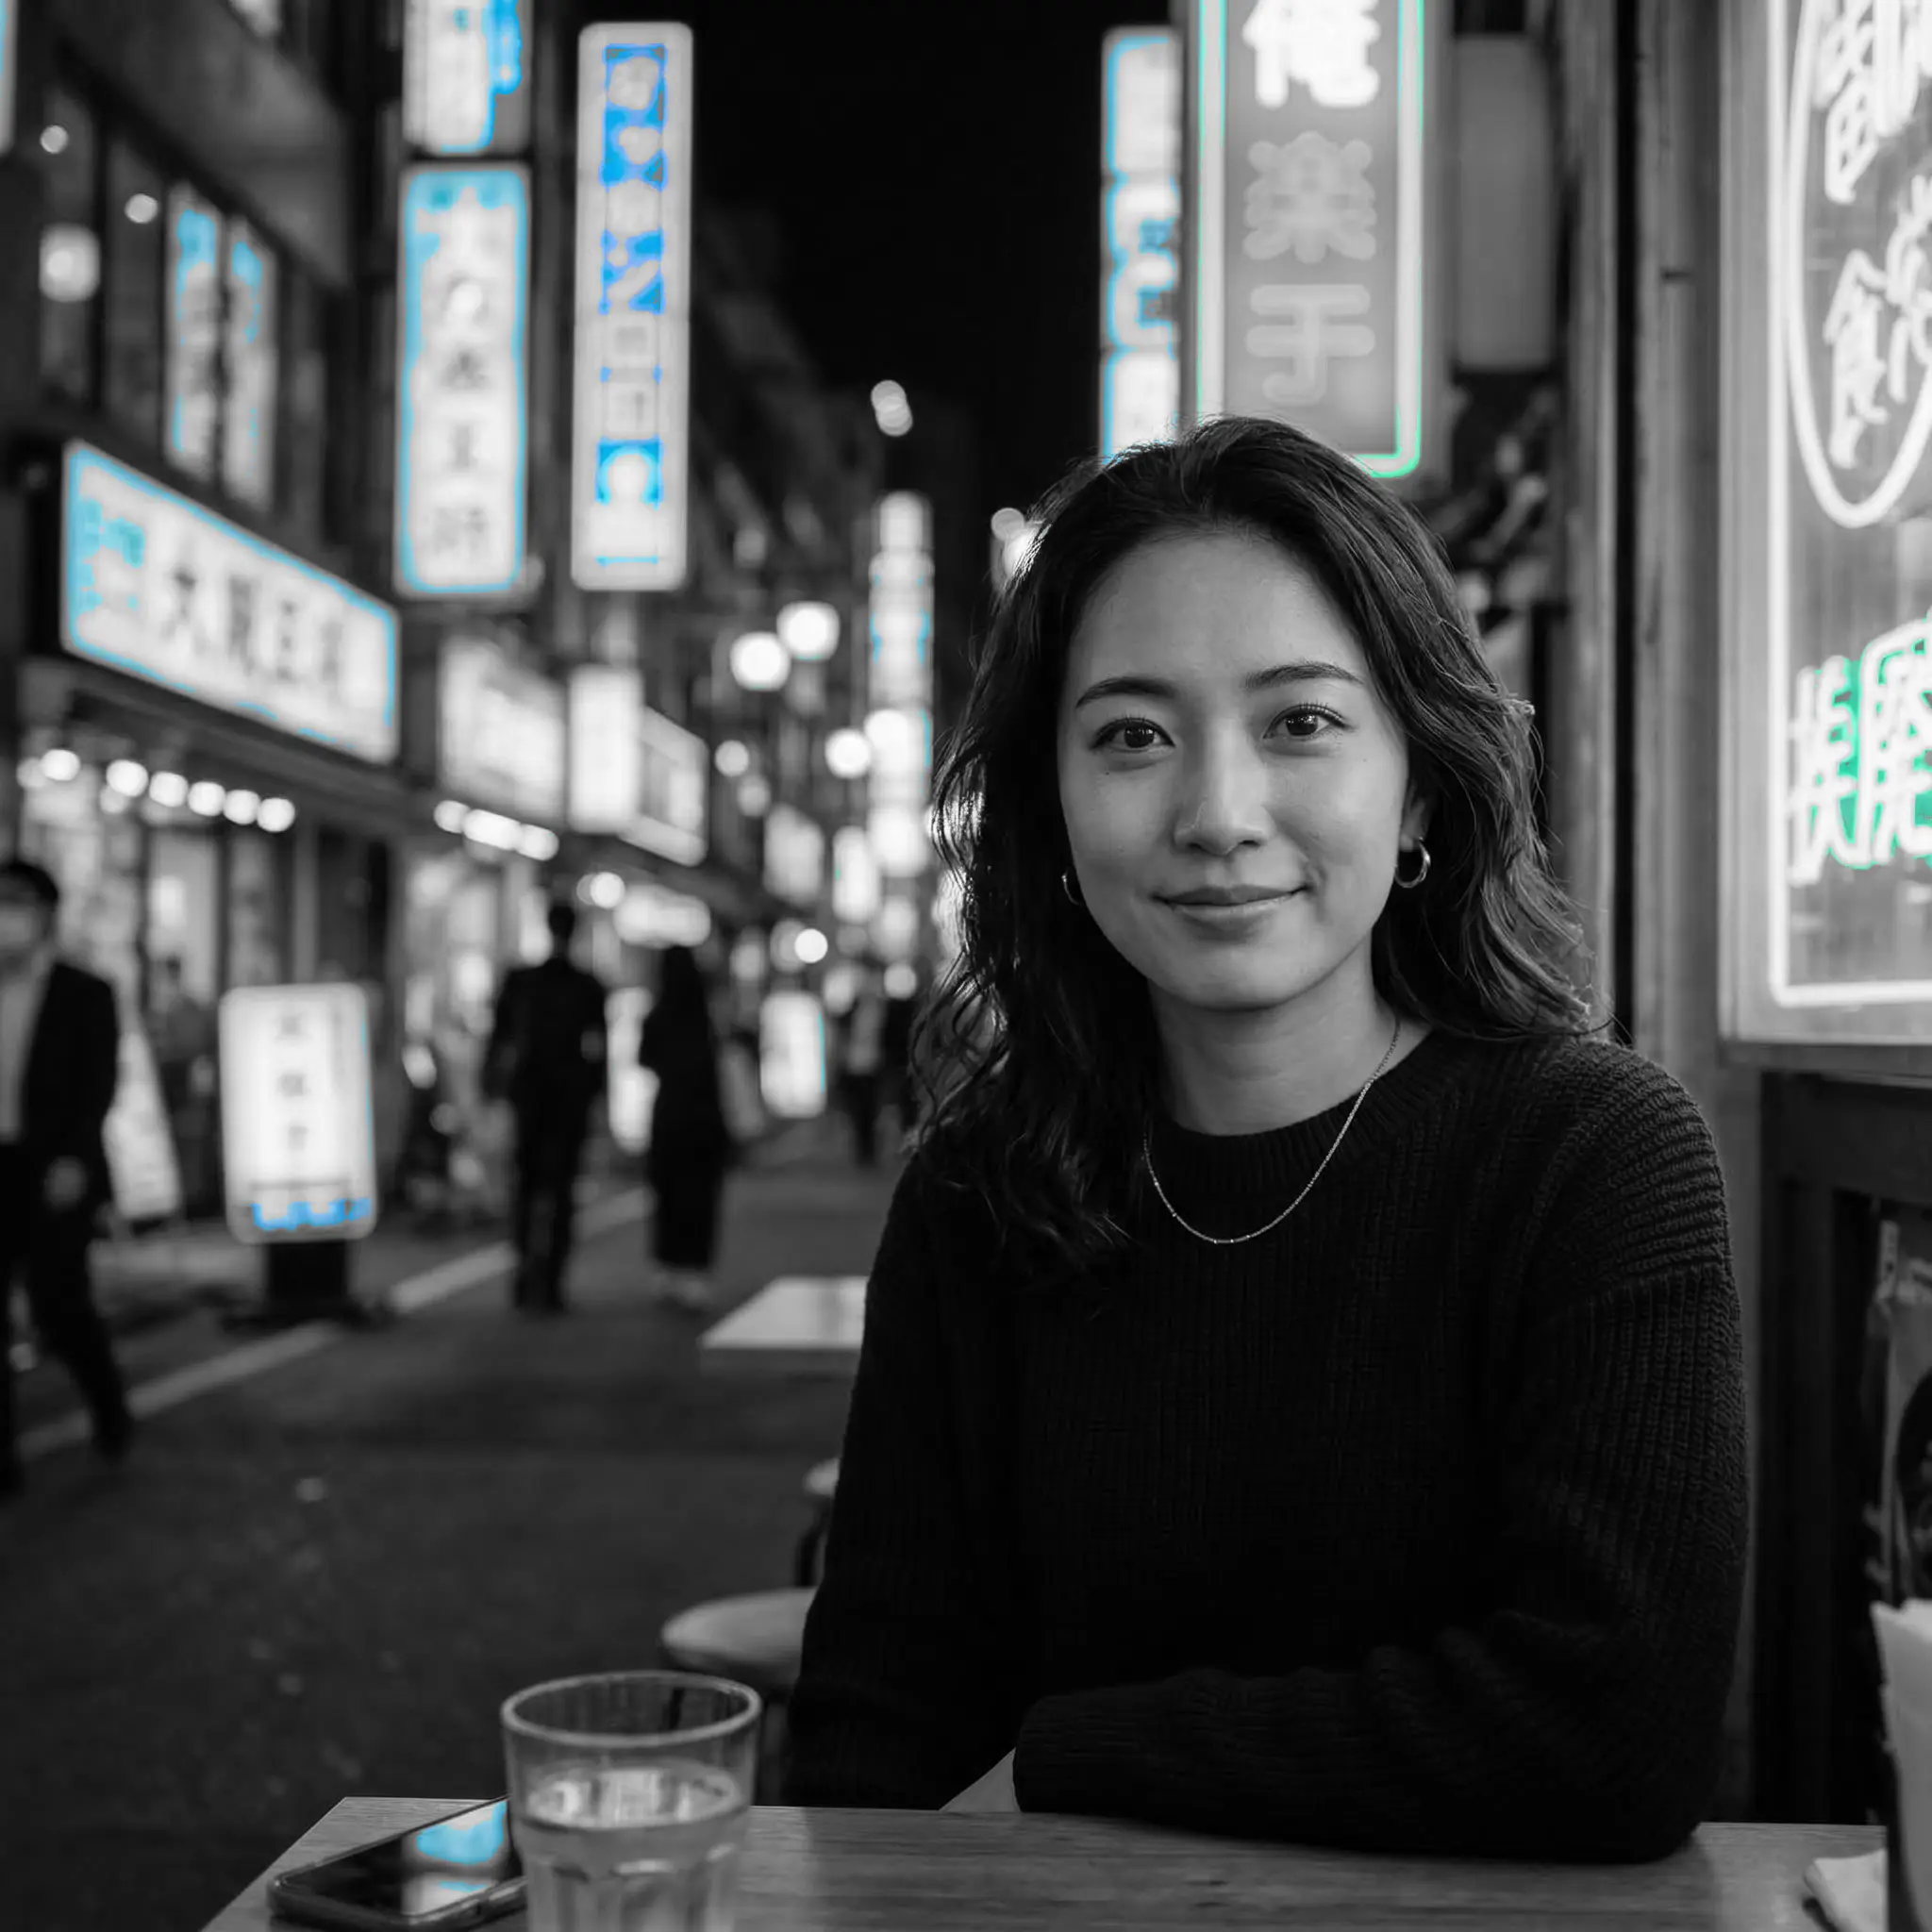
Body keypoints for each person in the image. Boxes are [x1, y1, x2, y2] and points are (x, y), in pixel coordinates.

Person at [784, 416, 1750, 1862]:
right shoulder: (980, 1197)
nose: (1218, 815)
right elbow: (870, 1745)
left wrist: (1066, 1760)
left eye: (1300, 723)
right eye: (1132, 736)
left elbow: (1616, 1729)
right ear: (1051, 807)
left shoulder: (1594, 1158)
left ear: (1419, 785)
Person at [0, 858, 131, 1496]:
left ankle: (109, 1407)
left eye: (18, 902)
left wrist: (76, 1160)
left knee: (58, 1302)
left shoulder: (85, 992)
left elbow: (98, 1085)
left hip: (54, 1170)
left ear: (48, 913)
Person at [484, 900, 608, 1314]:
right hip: (568, 1103)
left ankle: (525, 1274)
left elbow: (498, 1040)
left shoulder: (523, 981)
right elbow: (599, 1052)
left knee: (526, 1188)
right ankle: (551, 1281)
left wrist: (493, 1090)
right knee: (561, 1193)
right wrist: (596, 1097)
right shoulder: (587, 986)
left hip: (530, 1098)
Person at [638, 943, 734, 1312]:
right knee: (701, 1199)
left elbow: (644, 1059)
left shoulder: (657, 1015)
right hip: (706, 1119)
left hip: (669, 1118)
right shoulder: (707, 1016)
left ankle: (668, 1268)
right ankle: (696, 1271)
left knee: (668, 1196)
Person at [837, 961, 889, 1167]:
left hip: (874, 1066)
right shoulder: (853, 1008)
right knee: (857, 1110)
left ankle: (870, 1149)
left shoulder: (884, 1008)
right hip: (854, 1066)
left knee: (871, 1110)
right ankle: (862, 1149)